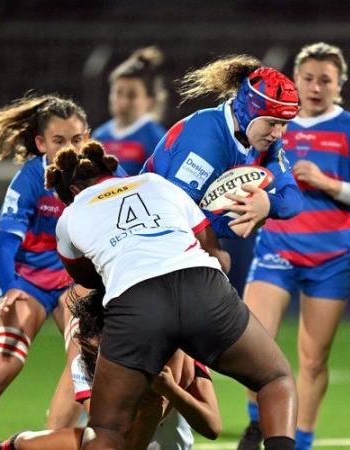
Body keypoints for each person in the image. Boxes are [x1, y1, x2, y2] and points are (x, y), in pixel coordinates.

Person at [43, 141, 297, 450]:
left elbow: (89, 280)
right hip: (202, 287)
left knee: (107, 429)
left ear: (69, 191)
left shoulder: (69, 218)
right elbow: (215, 253)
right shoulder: (156, 183)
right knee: (275, 380)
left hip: (136, 305)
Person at [0, 95, 126, 447]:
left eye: (76, 140)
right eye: (58, 141)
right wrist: (9, 286)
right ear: (41, 143)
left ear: (87, 136)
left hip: (75, 279)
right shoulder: (29, 179)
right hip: (28, 280)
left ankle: (51, 442)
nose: (68, 148)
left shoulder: (105, 172)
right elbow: (5, 241)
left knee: (84, 362)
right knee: (3, 364)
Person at [237, 42, 350, 450]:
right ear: (295, 81)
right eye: (308, 78)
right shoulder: (278, 122)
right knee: (254, 342)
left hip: (329, 258)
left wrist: (327, 182)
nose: (316, 87)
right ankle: (255, 425)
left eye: (326, 80)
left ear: (340, 86)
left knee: (313, 359)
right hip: (277, 248)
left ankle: (299, 442)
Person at [0, 289, 222, 450]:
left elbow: (212, 426)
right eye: (91, 350)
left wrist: (171, 391)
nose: (99, 359)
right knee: (35, 442)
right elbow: (105, 431)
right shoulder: (84, 361)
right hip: (113, 445)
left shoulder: (173, 350)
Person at [142, 55, 303, 239]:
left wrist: (268, 204)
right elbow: (176, 214)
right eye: (272, 122)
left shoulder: (267, 137)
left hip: (173, 228)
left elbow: (293, 199)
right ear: (247, 111)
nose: (278, 133)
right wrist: (230, 227)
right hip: (147, 227)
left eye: (284, 123)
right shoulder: (207, 140)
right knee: (222, 258)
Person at [92, 46, 167, 176]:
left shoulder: (156, 138)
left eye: (132, 95)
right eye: (118, 93)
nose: (123, 102)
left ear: (149, 99)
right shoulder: (99, 136)